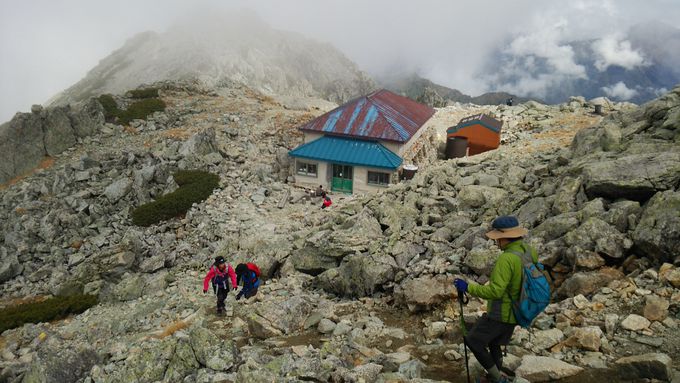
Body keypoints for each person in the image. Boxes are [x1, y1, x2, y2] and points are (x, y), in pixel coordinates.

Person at [453, 216, 537, 383]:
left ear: (505, 237)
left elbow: (495, 291)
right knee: (493, 343)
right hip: (519, 309)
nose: (496, 242)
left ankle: (499, 379)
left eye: (498, 238)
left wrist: (467, 287)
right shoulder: (529, 251)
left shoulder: (506, 259)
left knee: (474, 341)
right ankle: (493, 376)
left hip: (502, 312)